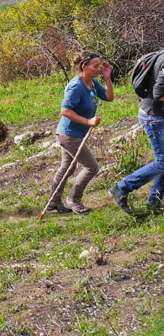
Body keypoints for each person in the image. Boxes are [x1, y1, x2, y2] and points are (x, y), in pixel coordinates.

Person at [49, 51, 114, 215]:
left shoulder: (92, 82)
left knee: (67, 169)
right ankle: (73, 200)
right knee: (92, 167)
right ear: (84, 66)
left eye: (100, 65)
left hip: (73, 134)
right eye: (96, 66)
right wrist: (88, 121)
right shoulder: (76, 86)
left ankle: (54, 201)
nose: (99, 69)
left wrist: (107, 78)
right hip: (69, 135)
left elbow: (109, 97)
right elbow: (65, 111)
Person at [111, 49, 164, 215]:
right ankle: (122, 188)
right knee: (163, 161)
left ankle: (155, 203)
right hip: (154, 117)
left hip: (157, 114)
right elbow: (159, 93)